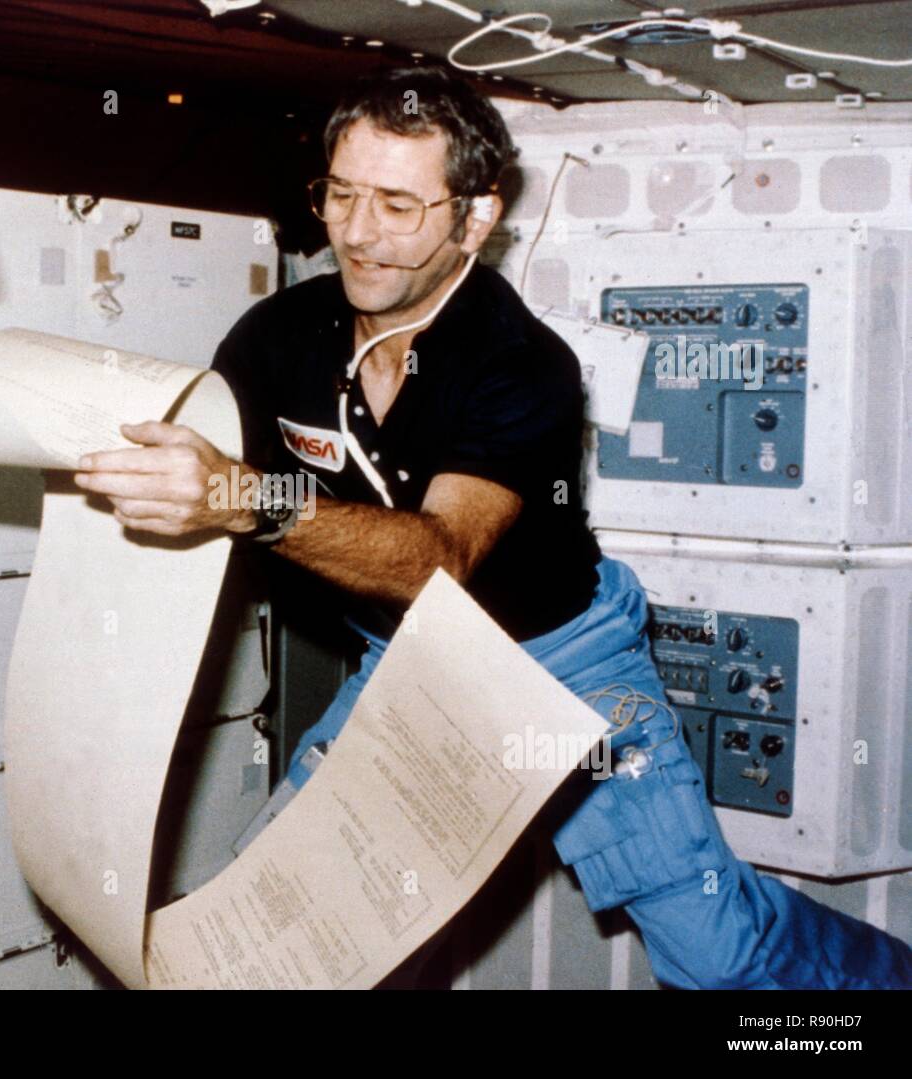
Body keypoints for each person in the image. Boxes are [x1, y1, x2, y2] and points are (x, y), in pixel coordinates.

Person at [73, 65, 912, 989]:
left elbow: (441, 558)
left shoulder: (524, 364)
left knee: (717, 955)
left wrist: (245, 499)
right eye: (340, 195)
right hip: (410, 660)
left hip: (566, 663)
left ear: (475, 217)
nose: (355, 233)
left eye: (397, 204)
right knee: (274, 941)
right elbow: (189, 455)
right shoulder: (278, 335)